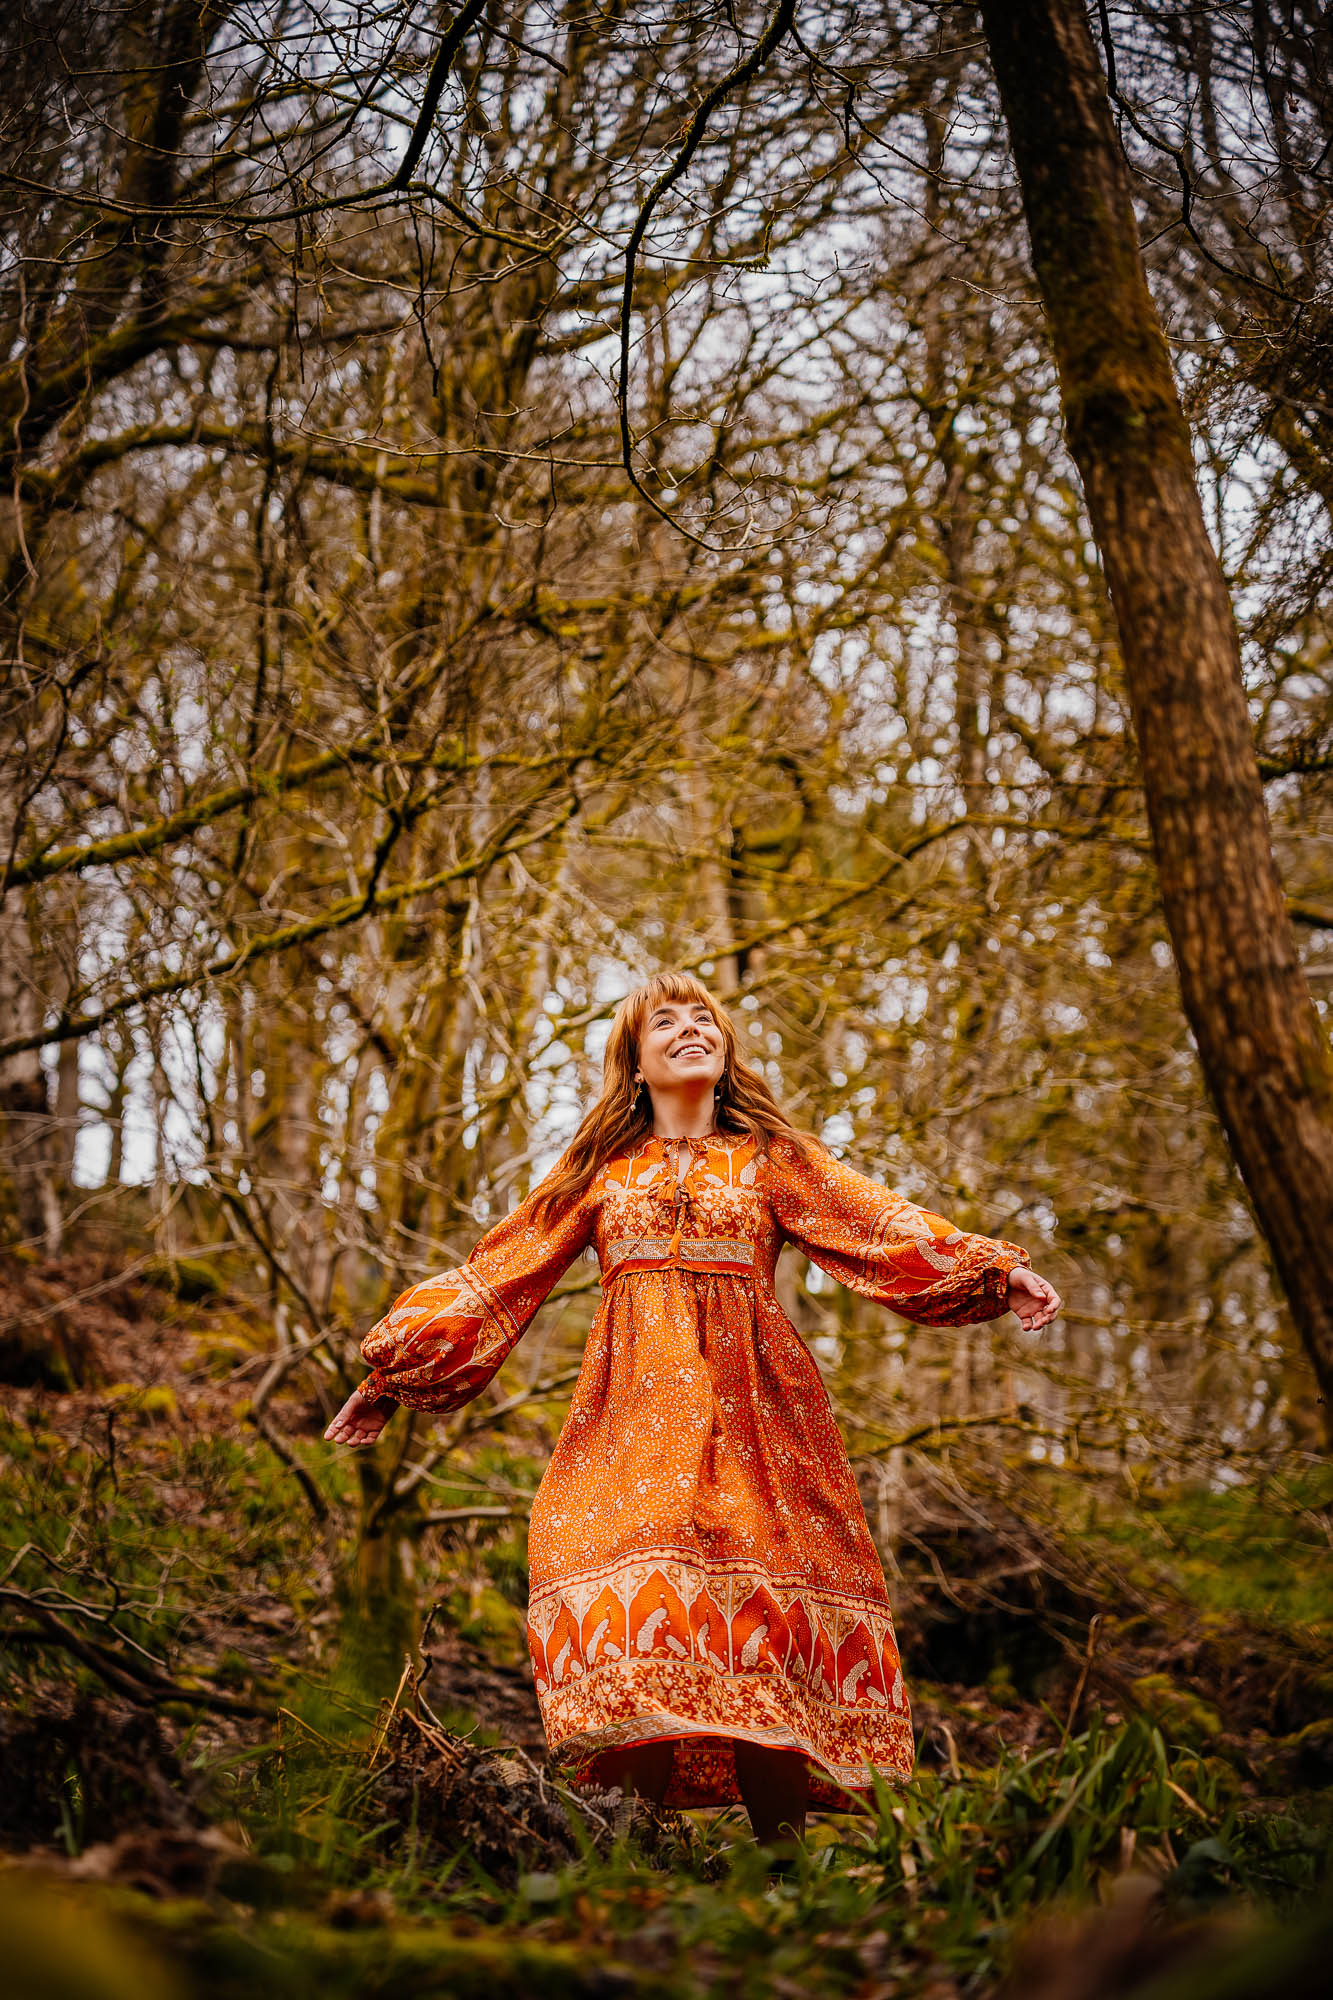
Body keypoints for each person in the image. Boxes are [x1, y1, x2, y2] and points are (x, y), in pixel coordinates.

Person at [325, 971, 1060, 1849]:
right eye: (663, 1022)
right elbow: (501, 1269)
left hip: (760, 1417)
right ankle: (623, 1860)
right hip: (628, 1415)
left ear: (726, 1050)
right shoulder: (599, 1169)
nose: (688, 1029)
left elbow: (875, 1221)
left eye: (702, 1017)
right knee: (640, 1604)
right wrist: (394, 1373)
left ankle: (782, 1874)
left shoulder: (773, 1160)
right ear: (633, 1064)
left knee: (759, 1618)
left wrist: (990, 1272)